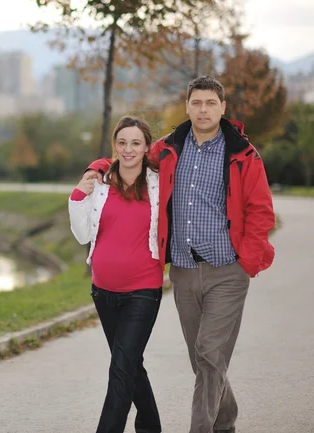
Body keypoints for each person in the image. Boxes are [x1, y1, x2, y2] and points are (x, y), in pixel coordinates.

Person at [84, 75, 276, 433]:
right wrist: (96, 168)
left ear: (222, 108)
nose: (203, 109)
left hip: (227, 270)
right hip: (185, 271)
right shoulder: (170, 148)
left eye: (211, 103)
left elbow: (261, 211)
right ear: (187, 106)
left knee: (208, 353)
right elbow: (130, 153)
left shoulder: (243, 154)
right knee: (203, 358)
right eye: (197, 103)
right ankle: (226, 419)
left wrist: (245, 261)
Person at [69, 115, 163, 433]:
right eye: (121, 142)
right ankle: (150, 425)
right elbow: (82, 235)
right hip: (103, 292)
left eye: (136, 142)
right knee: (130, 364)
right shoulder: (100, 183)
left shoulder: (159, 184)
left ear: (147, 146)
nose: (128, 149)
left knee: (121, 369)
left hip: (143, 290)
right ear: (115, 146)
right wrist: (78, 196)